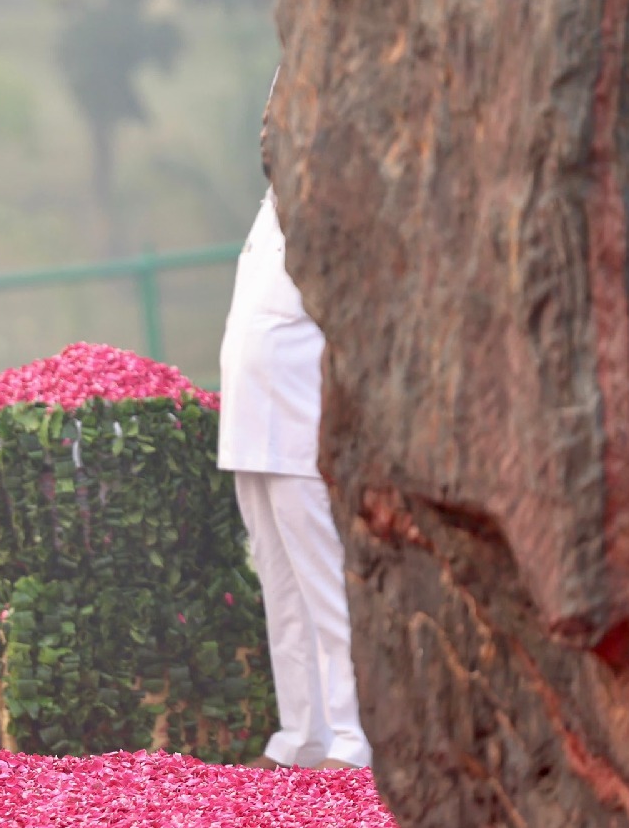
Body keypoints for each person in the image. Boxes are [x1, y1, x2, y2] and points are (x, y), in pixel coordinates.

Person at [216, 72, 372, 771]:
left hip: (301, 429)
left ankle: (353, 734)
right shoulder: (270, 208)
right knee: (281, 592)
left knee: (325, 586)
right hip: (250, 430)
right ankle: (301, 733)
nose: (268, 130)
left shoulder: (335, 207)